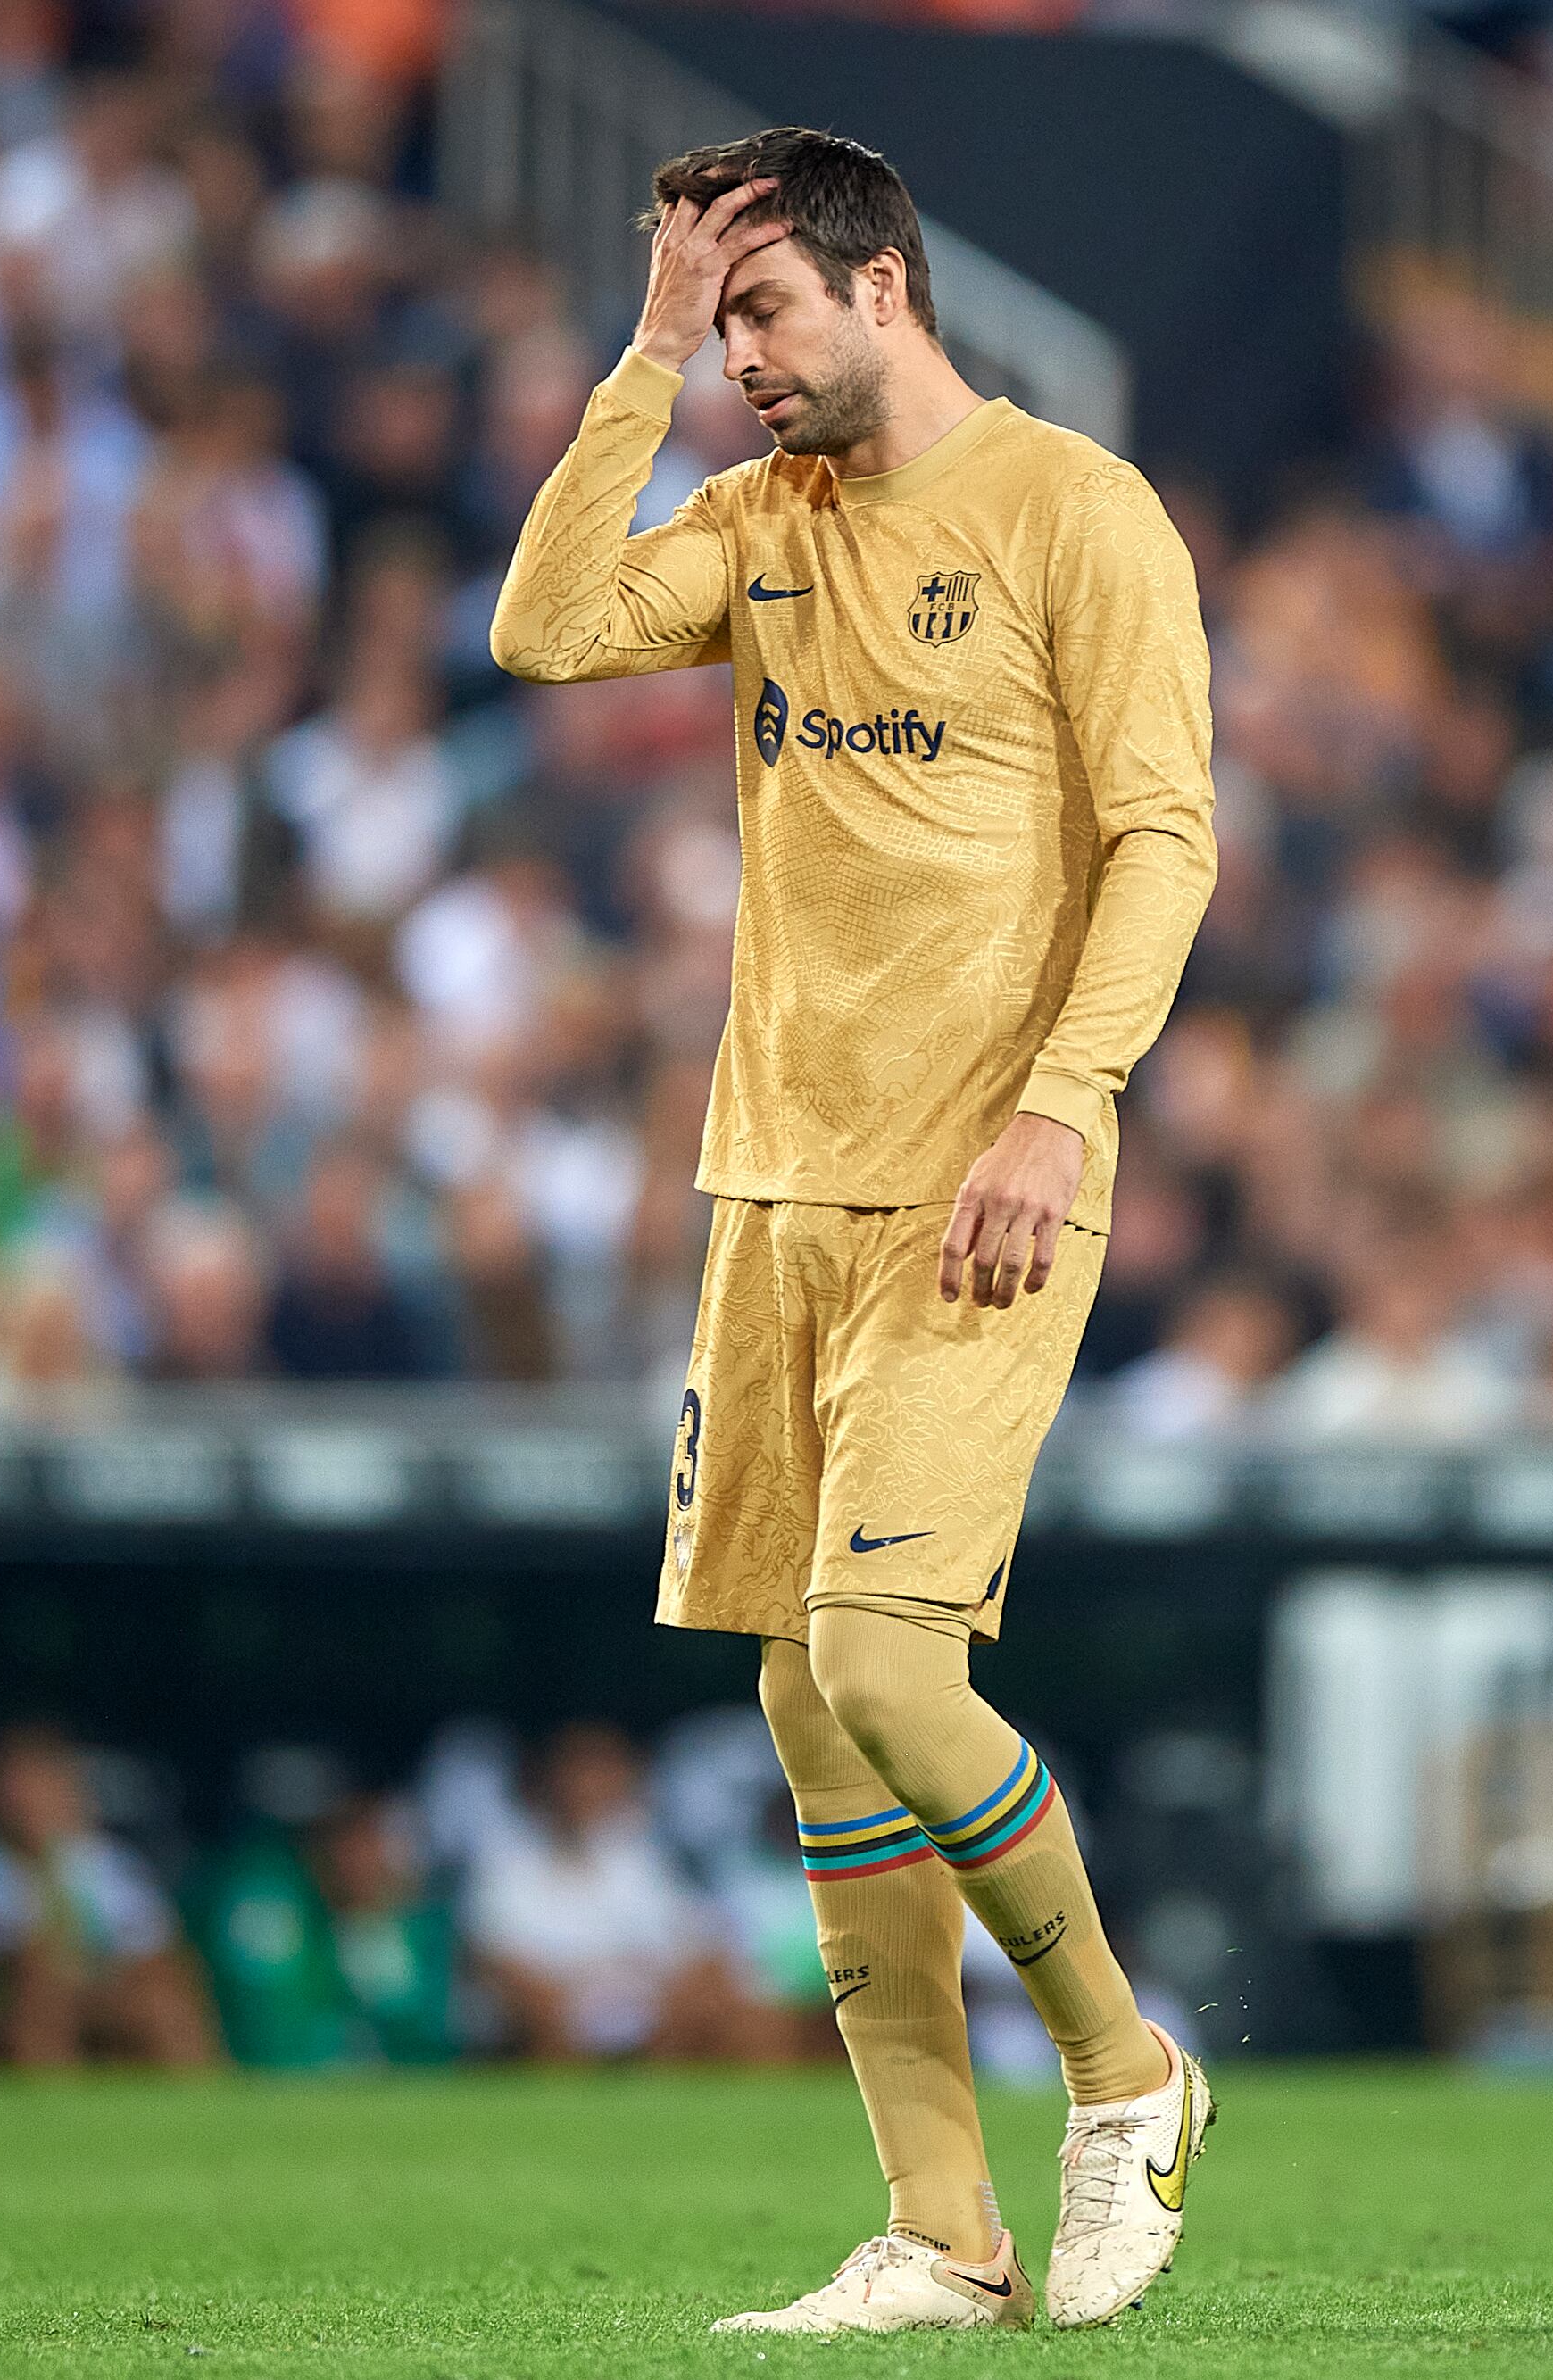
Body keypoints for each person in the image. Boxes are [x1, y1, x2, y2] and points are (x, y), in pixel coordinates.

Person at [488, 128, 1217, 2334]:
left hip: (976, 1190)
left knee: (894, 1669)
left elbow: (1164, 839)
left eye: (758, 316)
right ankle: (941, 2233)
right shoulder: (759, 517)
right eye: (711, 331)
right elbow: (542, 629)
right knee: (814, 1709)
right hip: (768, 1188)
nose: (736, 369)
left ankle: (1126, 2073)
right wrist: (627, 363)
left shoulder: (1074, 514)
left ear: (881, 282)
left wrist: (1061, 1110)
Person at [458, 1721, 776, 2065]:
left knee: (743, 2013)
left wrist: (671, 1997)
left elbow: (697, 1936)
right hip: (555, 2010)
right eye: (578, 1771)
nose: (587, 1787)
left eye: (600, 1772)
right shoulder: (503, 1854)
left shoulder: (638, 1851)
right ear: (546, 1778)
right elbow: (494, 1957)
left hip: (646, 2004)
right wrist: (582, 2006)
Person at [0, 1726, 217, 2068]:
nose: (31, 1802)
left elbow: (152, 1950)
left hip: (93, 1991)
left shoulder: (107, 1861)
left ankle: (199, 2109)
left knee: (165, 1993)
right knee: (39, 1986)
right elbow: (17, 1955)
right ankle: (45, 2113)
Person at [195, 1791, 454, 2070]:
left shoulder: (389, 1922)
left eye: (376, 1845)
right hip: (266, 2090)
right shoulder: (264, 1896)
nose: (368, 1860)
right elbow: (271, 2035)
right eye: (354, 1843)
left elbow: (419, 2045)